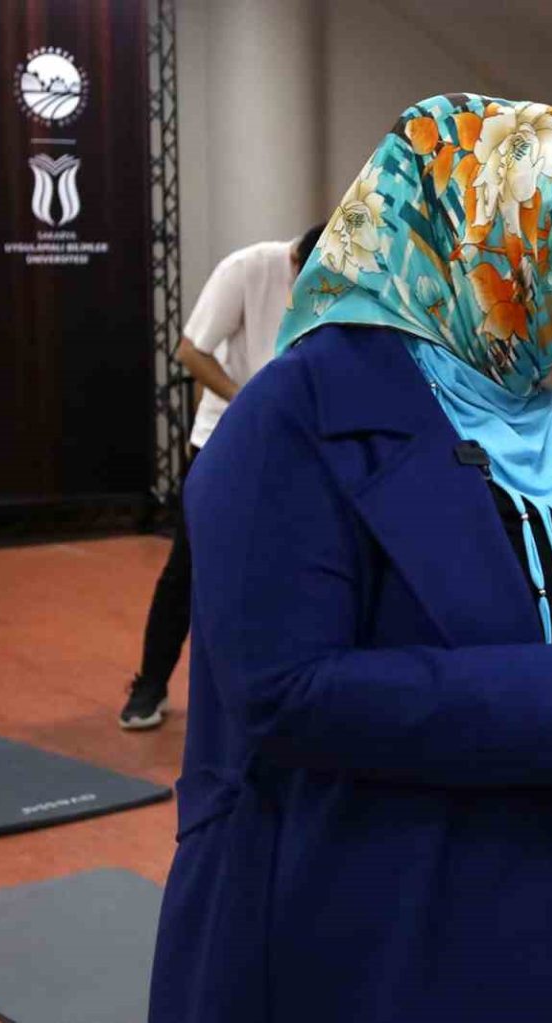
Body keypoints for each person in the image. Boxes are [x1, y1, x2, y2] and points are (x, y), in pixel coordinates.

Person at [147, 94, 552, 1023]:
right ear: (496, 259)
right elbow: (283, 691)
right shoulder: (294, 417)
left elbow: (548, 606)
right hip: (379, 913)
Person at [119, 224, 324, 730]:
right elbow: (192, 351)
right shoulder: (246, 268)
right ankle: (149, 685)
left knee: (296, 568)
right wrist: (249, 403)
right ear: (295, 262)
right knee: (188, 566)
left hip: (297, 443)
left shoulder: (339, 286)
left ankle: (278, 692)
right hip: (224, 441)